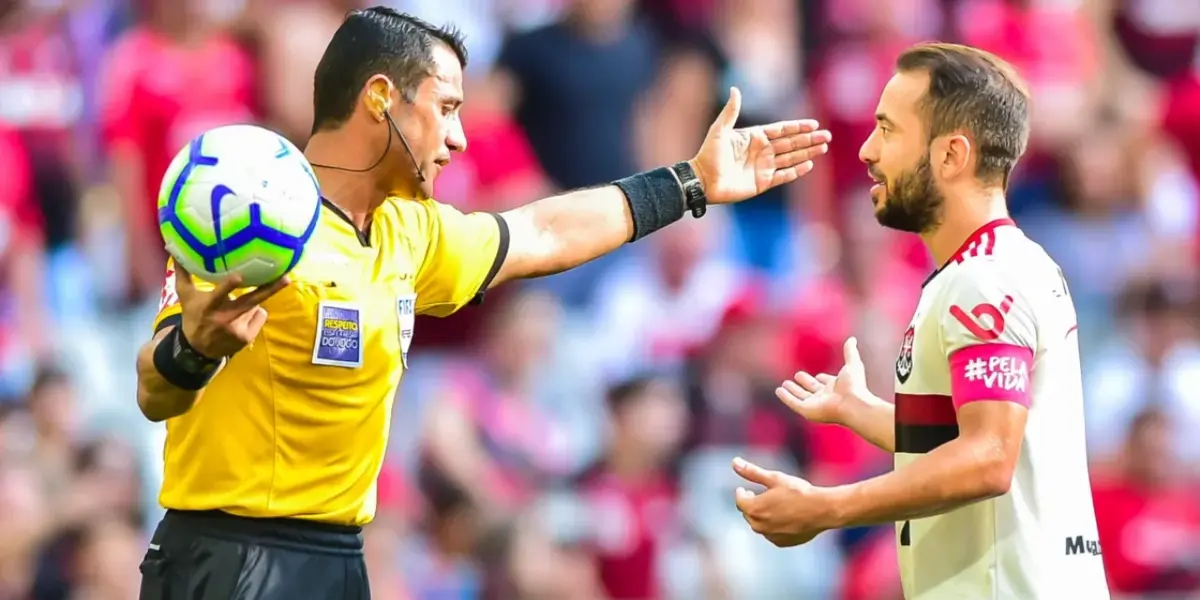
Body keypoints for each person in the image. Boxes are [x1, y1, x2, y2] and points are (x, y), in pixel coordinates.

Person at [133, 7, 831, 600]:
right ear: (380, 98)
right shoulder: (259, 214)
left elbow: (542, 231)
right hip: (229, 553)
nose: (460, 138)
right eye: (445, 109)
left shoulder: (411, 231)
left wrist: (688, 184)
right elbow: (155, 387)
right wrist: (193, 352)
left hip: (337, 557)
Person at [730, 42, 1110, 599]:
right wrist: (860, 413)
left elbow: (988, 459)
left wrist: (827, 508)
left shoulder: (985, 281)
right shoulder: (1004, 265)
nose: (865, 151)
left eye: (887, 130)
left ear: (952, 155)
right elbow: (980, 441)